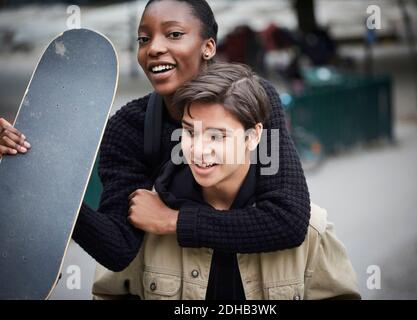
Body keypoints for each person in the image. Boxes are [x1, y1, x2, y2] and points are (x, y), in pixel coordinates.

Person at [0, 0, 311, 272]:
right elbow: (118, 247)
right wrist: (44, 187)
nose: (154, 48)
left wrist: (172, 220)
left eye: (174, 34)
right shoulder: (128, 128)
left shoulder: (255, 101)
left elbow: (288, 221)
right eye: (143, 39)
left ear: (208, 46)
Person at [92, 63, 360, 300]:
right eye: (189, 132)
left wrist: (175, 222)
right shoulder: (146, 220)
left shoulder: (312, 229)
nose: (198, 150)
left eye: (217, 136)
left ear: (253, 136)